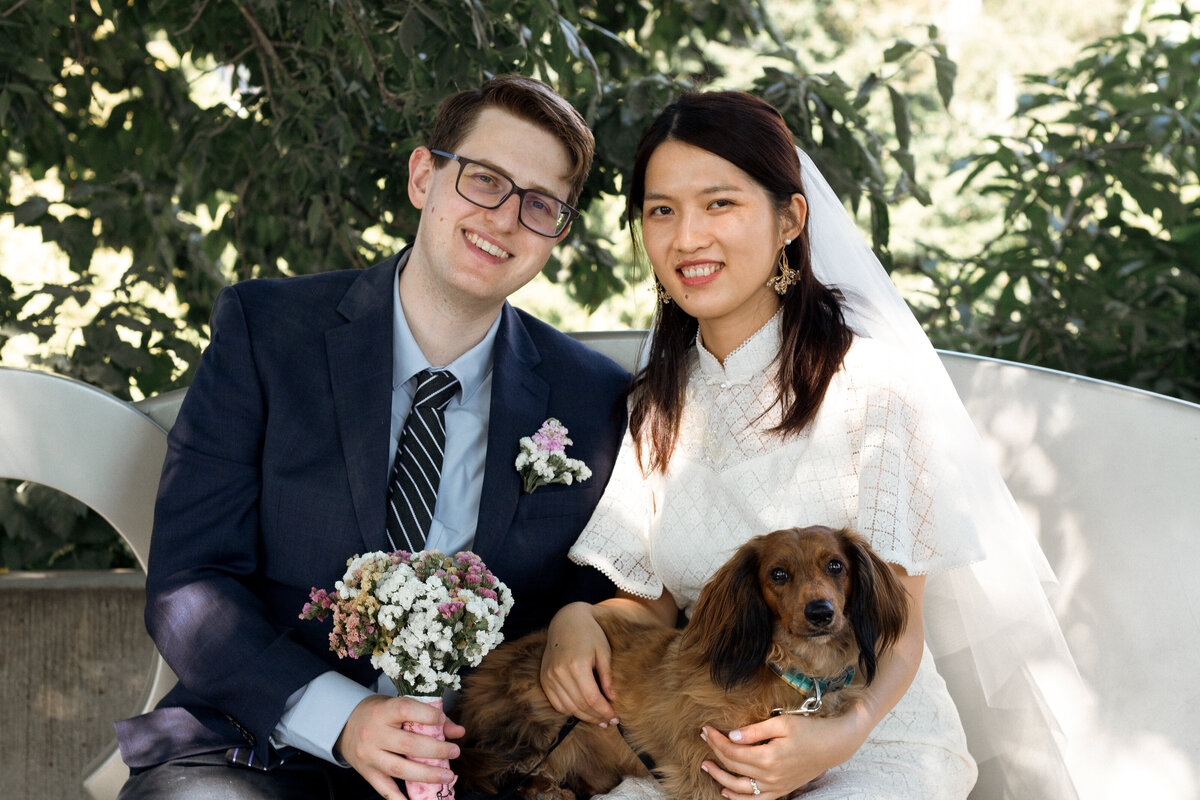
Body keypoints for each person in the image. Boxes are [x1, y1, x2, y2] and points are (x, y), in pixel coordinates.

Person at [539, 91, 1082, 799]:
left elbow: (901, 628)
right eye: (661, 210)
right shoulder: (657, 407)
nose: (686, 237)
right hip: (713, 744)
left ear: (790, 218)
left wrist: (835, 738)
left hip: (872, 739)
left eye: (720, 204)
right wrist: (575, 619)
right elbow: (649, 606)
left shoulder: (870, 388)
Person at [113, 74, 630, 800]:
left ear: (558, 233)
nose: (506, 219)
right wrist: (344, 717)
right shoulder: (268, 334)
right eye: (485, 180)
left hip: (480, 770)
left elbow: (601, 596)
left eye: (540, 204)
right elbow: (190, 582)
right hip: (261, 751)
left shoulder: (592, 397)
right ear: (425, 176)